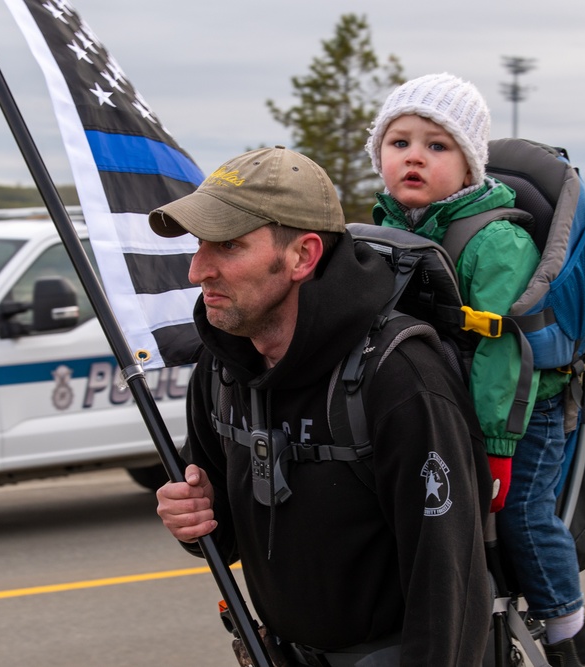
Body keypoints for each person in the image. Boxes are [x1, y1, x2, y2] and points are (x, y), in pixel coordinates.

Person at [149, 145, 492, 666]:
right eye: (200, 245)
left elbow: (450, 588)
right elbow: (223, 538)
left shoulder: (399, 378)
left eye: (227, 246)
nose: (198, 271)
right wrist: (194, 519)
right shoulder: (222, 367)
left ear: (302, 256)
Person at [364, 72, 585, 667]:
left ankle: (572, 635)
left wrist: (498, 445)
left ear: (470, 163)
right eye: (399, 143)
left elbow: (507, 351)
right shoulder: (389, 228)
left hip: (522, 407)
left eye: (437, 145)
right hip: (451, 398)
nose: (415, 157)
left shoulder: (495, 241)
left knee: (522, 515)